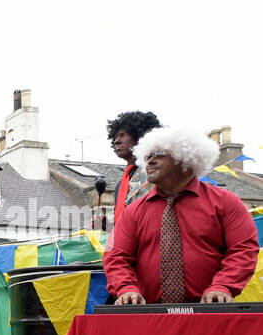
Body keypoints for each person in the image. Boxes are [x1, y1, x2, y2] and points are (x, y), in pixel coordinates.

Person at [104, 127, 259, 305]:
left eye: (159, 155)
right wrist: (126, 289)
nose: (150, 161)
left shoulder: (226, 202)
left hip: (209, 315)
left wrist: (223, 286)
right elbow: (115, 256)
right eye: (148, 157)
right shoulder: (133, 211)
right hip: (150, 316)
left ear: (186, 159)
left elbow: (243, 250)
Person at [106, 110, 162, 223]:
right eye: (115, 137)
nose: (116, 141)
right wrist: (106, 224)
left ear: (140, 137)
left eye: (122, 135)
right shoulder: (120, 184)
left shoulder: (156, 173)